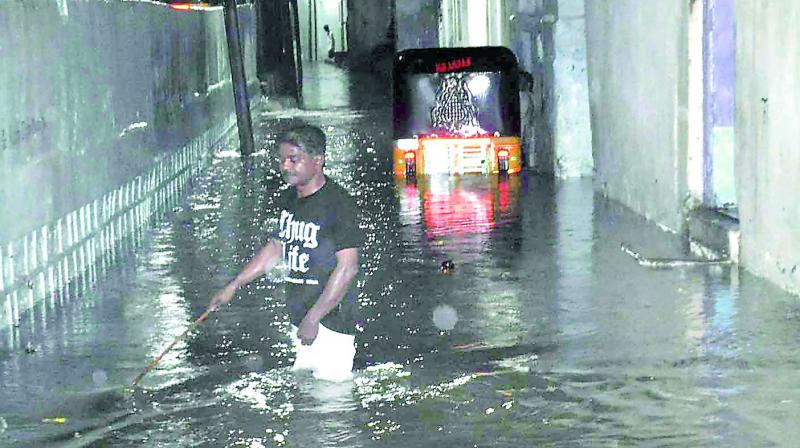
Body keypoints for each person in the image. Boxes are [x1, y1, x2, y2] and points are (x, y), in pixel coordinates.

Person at [208, 124, 364, 382]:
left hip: (332, 323)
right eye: (281, 160)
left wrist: (314, 318)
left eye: (294, 159)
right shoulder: (289, 200)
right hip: (302, 320)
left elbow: (348, 268)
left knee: (332, 410)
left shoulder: (340, 205)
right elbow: (277, 247)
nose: (285, 166)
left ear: (318, 161)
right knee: (306, 401)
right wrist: (234, 285)